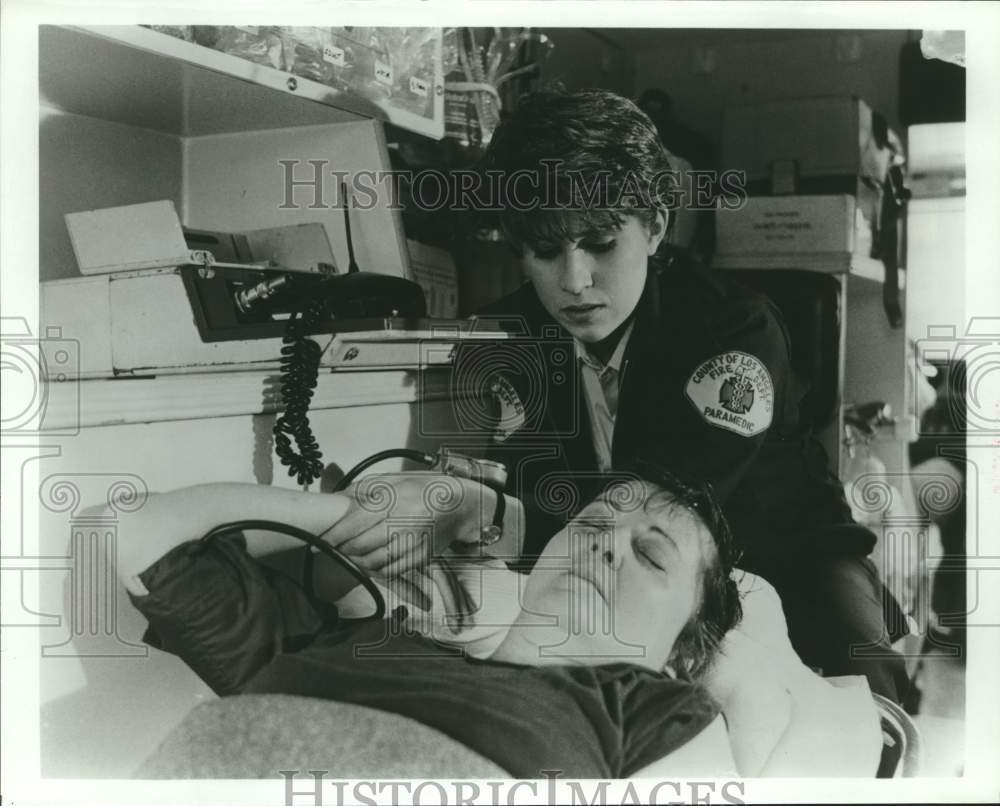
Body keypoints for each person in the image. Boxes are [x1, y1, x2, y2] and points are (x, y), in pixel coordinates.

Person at [439, 87, 910, 702]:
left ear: (656, 226)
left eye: (602, 244)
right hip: (618, 568)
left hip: (783, 555)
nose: (574, 281)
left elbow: (658, 514)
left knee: (869, 697)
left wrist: (488, 516)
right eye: (548, 251)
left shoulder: (733, 331)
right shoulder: (508, 338)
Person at [116, 463, 751, 778]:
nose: (604, 544)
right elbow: (130, 531)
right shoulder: (373, 642)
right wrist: (354, 513)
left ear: (684, 657)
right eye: (589, 525)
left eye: (649, 554)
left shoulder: (653, 712)